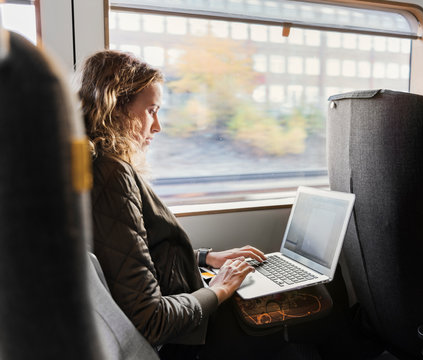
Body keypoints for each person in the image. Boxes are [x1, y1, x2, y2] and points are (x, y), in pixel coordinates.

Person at [78, 50, 277, 358]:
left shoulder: (98, 167)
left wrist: (205, 258)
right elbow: (151, 319)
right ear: (116, 109)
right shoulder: (111, 176)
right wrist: (218, 290)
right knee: (295, 316)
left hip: (186, 317)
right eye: (150, 111)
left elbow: (128, 257)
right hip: (184, 342)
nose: (156, 126)